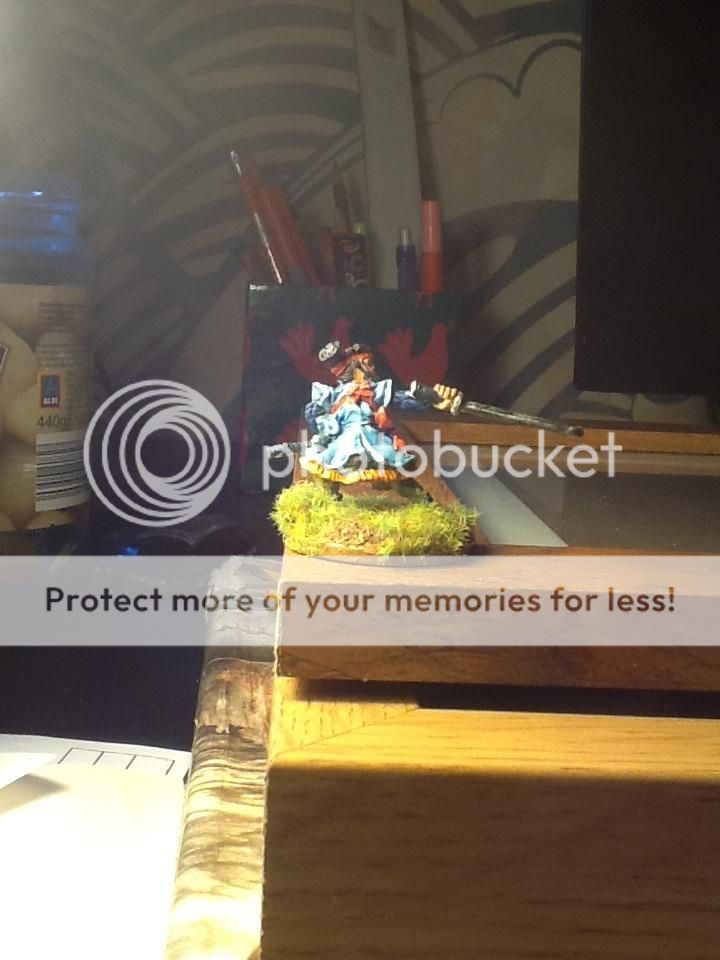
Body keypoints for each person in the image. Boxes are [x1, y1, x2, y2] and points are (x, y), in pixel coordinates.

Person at [300, 340, 461, 485]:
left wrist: (432, 400)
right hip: (344, 439)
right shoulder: (336, 396)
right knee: (334, 457)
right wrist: (316, 415)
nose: (373, 368)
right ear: (355, 369)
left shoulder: (377, 392)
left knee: (384, 455)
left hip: (373, 436)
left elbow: (402, 400)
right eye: (368, 364)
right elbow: (319, 418)